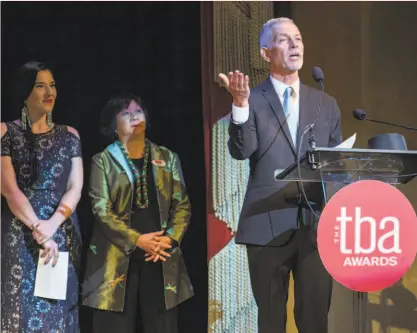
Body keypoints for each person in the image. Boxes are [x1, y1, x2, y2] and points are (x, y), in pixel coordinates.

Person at [219, 17, 343, 333]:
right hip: (267, 224)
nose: (294, 45)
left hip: (315, 226)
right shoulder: (252, 99)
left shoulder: (325, 104)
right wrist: (240, 106)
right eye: (284, 39)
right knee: (271, 323)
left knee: (315, 321)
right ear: (265, 52)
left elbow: (337, 166)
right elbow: (241, 150)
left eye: (298, 38)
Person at [82, 93, 194, 333]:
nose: (134, 116)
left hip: (160, 257)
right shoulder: (102, 160)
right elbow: (101, 209)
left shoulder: (167, 157)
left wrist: (170, 239)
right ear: (113, 125)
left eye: (138, 111)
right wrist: (138, 240)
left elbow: (182, 205)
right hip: (116, 259)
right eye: (126, 113)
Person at [1, 61, 83, 332]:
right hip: (19, 235)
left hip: (58, 236)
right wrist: (40, 229)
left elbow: (75, 187)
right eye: (40, 85)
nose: (49, 92)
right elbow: (10, 190)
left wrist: (52, 226)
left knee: (56, 316)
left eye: (52, 85)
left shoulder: (70, 135)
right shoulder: (5, 132)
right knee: (20, 314)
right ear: (25, 91)